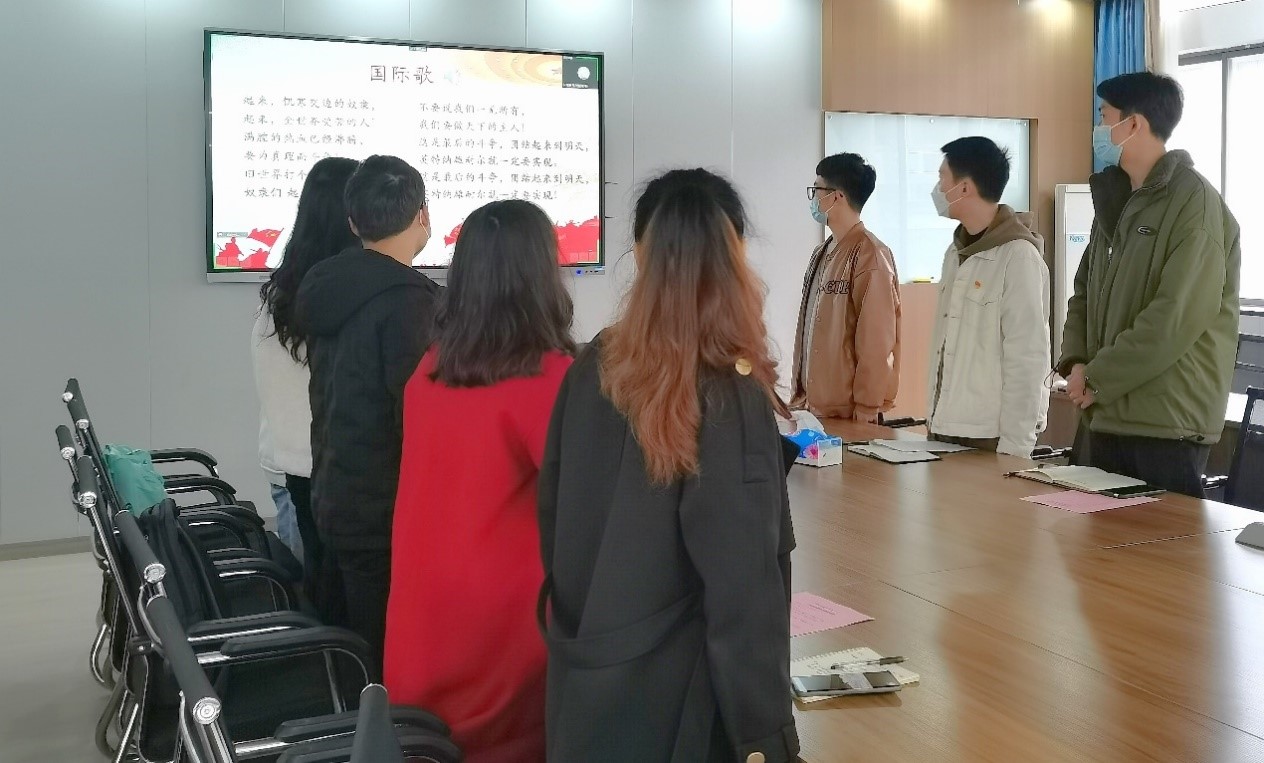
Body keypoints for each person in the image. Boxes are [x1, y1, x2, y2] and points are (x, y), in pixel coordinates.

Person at [538, 168, 800, 763]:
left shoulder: (592, 364)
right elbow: (744, 593)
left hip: (587, 685)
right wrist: (766, 743)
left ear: (640, 254)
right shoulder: (728, 392)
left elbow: (555, 524)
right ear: (737, 257)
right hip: (684, 713)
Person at [383, 200, 575, 763]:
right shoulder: (549, 378)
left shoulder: (432, 367)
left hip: (422, 627)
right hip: (504, 640)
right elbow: (591, 505)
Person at [1057, 72, 1240, 497]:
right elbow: (1083, 293)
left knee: (1159, 541)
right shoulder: (1115, 199)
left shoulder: (1194, 202)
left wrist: (1097, 377)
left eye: (1104, 117)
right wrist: (1077, 363)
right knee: (1089, 538)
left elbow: (1174, 317)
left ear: (1133, 124)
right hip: (1104, 414)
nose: (1098, 129)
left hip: (1164, 424)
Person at [293, 155, 442, 666]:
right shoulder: (413, 304)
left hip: (334, 490)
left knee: (349, 638)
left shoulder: (323, 285)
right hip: (387, 509)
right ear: (423, 215)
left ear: (353, 222)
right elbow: (414, 417)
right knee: (383, 650)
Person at [250, 156, 359, 567]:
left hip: (290, 463)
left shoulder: (283, 289)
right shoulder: (333, 294)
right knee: (317, 591)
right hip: (315, 473)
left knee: (312, 587)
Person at [926, 136, 1050, 456]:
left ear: (964, 187)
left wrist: (1016, 444)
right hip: (944, 427)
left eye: (942, 178)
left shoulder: (1018, 256)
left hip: (989, 436)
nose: (938, 188)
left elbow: (1028, 357)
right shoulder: (955, 252)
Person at [792, 152, 901, 422]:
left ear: (837, 196)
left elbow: (876, 342)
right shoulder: (822, 252)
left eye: (817, 190)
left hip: (850, 413)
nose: (813, 199)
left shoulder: (870, 254)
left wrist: (867, 407)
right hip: (812, 408)